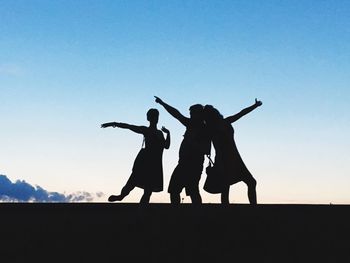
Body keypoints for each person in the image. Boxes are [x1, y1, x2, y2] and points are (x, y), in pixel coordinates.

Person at [101, 108, 170, 204]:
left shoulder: (160, 133)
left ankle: (141, 211)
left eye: (156, 116)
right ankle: (121, 196)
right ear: (149, 118)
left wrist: (168, 134)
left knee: (147, 191)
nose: (155, 118)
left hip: (155, 164)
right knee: (132, 183)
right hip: (145, 162)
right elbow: (129, 126)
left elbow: (166, 146)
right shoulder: (145, 130)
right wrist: (114, 123)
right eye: (153, 116)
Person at [203, 99, 262, 205]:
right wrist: (220, 163)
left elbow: (241, 113)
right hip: (225, 158)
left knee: (237, 184)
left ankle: (251, 208)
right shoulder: (215, 127)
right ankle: (251, 208)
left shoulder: (223, 123)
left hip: (233, 157)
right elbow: (217, 146)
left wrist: (254, 106)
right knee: (228, 186)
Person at [155, 96, 210, 204]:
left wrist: (192, 142)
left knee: (192, 191)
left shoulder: (205, 129)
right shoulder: (191, 125)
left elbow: (206, 150)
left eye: (192, 114)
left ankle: (197, 215)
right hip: (183, 163)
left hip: (194, 165)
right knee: (175, 190)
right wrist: (163, 103)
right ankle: (178, 213)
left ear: (198, 114)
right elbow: (176, 114)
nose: (190, 116)